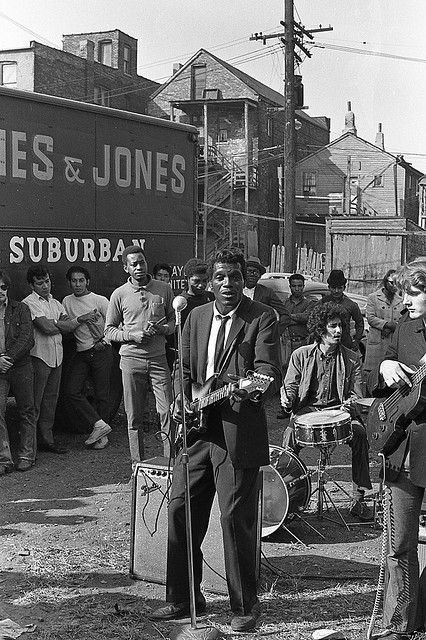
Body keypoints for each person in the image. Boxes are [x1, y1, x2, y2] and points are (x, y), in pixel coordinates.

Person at [149, 248, 281, 632]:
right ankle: (183, 598)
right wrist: (180, 399)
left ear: (245, 280)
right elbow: (183, 369)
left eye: (235, 277)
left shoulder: (262, 318)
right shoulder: (194, 316)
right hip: (195, 432)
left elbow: (267, 369)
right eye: (221, 277)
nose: (228, 284)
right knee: (180, 508)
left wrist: (251, 389)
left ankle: (244, 606)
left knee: (233, 516)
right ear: (210, 281)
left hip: (237, 430)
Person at [368, 259, 426, 640]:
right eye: (404, 293)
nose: (406, 300)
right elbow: (371, 379)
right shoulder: (402, 329)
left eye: (415, 293)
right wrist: (387, 366)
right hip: (404, 447)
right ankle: (400, 622)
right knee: (400, 543)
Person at [281, 302, 373, 521]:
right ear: (320, 329)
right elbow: (291, 387)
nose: (339, 331)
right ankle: (287, 499)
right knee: (289, 436)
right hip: (306, 412)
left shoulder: (352, 358)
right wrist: (287, 400)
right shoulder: (300, 355)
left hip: (339, 414)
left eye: (341, 326)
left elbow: (358, 395)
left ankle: (359, 499)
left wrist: (351, 404)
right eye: (333, 326)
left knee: (359, 434)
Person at [105, 245, 175, 463]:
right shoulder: (119, 294)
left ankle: (171, 465)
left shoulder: (163, 289)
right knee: (133, 417)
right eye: (133, 264)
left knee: (167, 412)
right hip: (131, 361)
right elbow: (109, 330)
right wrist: (132, 335)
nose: (139, 267)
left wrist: (163, 329)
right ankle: (138, 466)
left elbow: (174, 322)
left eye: (142, 262)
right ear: (126, 268)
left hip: (158, 359)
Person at [22, 265, 101, 455]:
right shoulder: (29, 303)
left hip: (57, 358)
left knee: (50, 401)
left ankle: (47, 441)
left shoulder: (56, 303)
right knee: (35, 403)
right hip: (39, 357)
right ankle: (30, 448)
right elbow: (47, 328)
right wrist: (62, 324)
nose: (45, 286)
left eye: (47, 281)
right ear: (31, 285)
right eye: (39, 283)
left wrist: (57, 323)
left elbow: (67, 327)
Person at [62, 266, 112, 450]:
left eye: (81, 280)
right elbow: (67, 324)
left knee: (102, 395)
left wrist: (104, 341)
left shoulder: (100, 300)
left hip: (101, 351)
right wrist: (81, 319)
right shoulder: (67, 301)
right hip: (81, 352)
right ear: (69, 283)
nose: (77, 284)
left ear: (87, 281)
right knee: (71, 391)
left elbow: (114, 322)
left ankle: (102, 437)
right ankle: (99, 424)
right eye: (74, 281)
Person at [0, 270, 36, 474]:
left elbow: (26, 339)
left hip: (20, 366)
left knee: (26, 410)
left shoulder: (21, 309)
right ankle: (4, 459)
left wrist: (7, 359)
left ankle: (26, 455)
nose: (1, 292)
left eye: (3, 287)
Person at [363, 269, 405, 373]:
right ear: (385, 282)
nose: (394, 286)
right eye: (391, 283)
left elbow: (403, 319)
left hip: (392, 341)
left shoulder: (401, 300)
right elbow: (371, 318)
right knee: (373, 375)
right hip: (377, 342)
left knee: (390, 373)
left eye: (396, 283)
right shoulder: (373, 297)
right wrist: (386, 324)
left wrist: (394, 327)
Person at [320, 269, 364, 352]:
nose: (336, 291)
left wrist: (357, 341)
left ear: (344, 287)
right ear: (329, 287)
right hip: (326, 344)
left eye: (339, 288)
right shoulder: (322, 303)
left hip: (345, 344)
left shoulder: (351, 305)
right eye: (333, 288)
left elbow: (360, 323)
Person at [243, 256, 287, 327]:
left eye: (256, 272)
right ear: (243, 274)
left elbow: (285, 315)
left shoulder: (267, 292)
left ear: (259, 276)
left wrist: (273, 332)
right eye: (249, 271)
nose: (252, 274)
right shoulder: (236, 290)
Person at [179, 258, 214, 327]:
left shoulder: (212, 297)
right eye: (196, 281)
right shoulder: (181, 302)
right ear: (187, 279)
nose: (201, 285)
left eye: (204, 281)